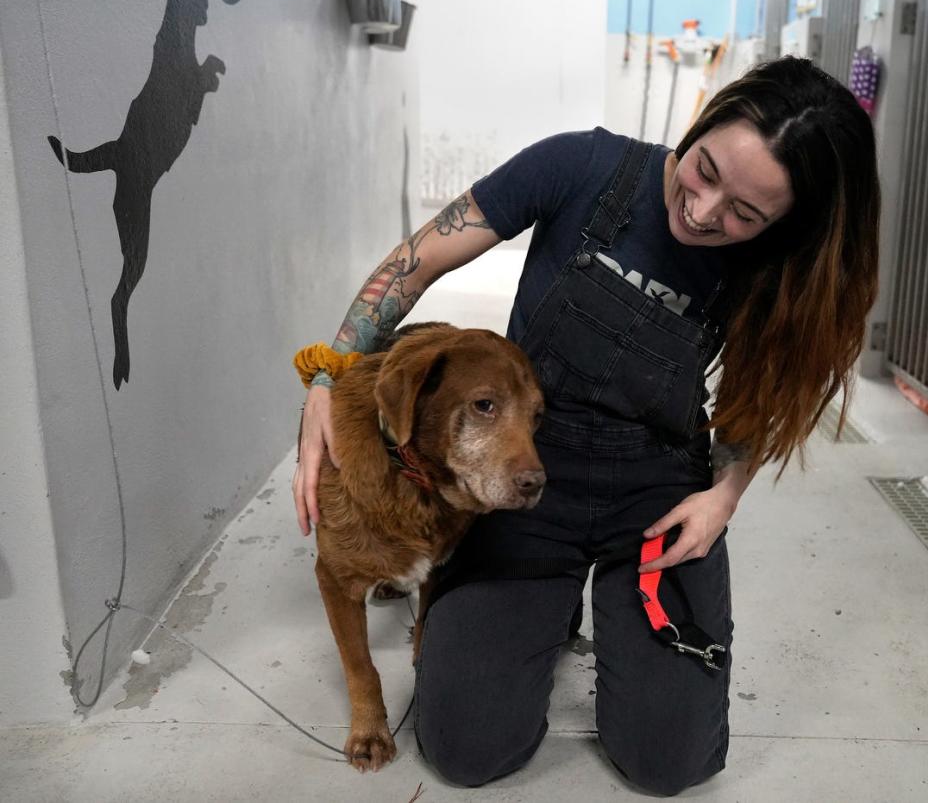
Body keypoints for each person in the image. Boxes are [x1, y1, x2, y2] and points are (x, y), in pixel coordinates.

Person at [293, 55, 879, 794]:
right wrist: (328, 374)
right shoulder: (584, 165)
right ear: (701, 125)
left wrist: (722, 497)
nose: (704, 212)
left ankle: (612, 601)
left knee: (669, 762)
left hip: (658, 489)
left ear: (779, 224)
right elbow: (418, 261)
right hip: (531, 469)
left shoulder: (777, 269)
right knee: (466, 748)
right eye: (705, 171)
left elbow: (759, 401)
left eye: (744, 214)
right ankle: (552, 594)